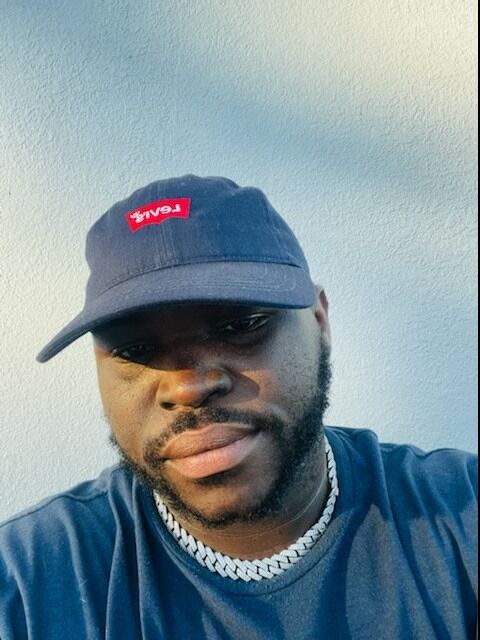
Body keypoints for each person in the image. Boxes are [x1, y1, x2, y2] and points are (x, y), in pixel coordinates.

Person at [0, 175, 476, 640]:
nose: (188, 387)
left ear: (319, 321)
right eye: (135, 350)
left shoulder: (462, 513)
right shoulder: (26, 584)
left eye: (239, 326)